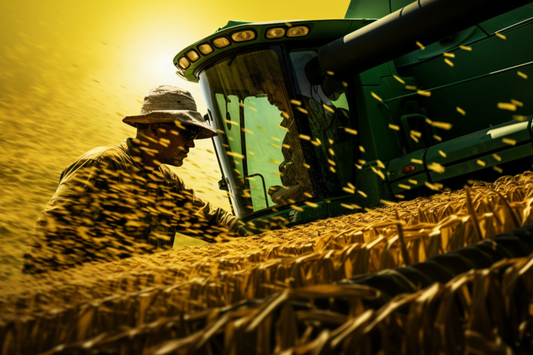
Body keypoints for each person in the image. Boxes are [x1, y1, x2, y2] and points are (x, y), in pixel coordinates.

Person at [23, 85, 249, 274]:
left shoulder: (166, 183)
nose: (191, 144)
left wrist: (268, 235)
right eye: (188, 134)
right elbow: (50, 242)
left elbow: (211, 222)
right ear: (156, 129)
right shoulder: (103, 165)